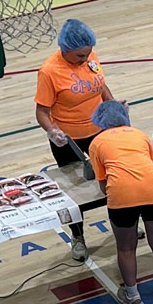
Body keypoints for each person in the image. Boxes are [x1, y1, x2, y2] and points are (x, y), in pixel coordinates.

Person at [34, 18, 116, 261]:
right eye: (80, 56)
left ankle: (121, 224)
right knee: (73, 192)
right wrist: (52, 131)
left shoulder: (89, 56)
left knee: (111, 180)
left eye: (88, 54)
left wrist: (113, 108)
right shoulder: (49, 71)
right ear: (65, 49)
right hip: (68, 139)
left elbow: (101, 85)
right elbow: (41, 112)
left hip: (99, 130)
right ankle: (78, 236)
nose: (85, 59)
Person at [87, 101, 153, 304]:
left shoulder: (96, 143)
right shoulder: (140, 134)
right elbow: (147, 164)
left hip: (121, 195)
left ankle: (133, 295)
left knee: (126, 248)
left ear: (99, 120)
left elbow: (103, 183)